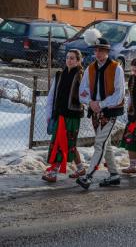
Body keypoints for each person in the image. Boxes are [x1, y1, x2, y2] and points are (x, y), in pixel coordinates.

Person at [77, 37, 125, 189]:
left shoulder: (116, 68)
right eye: (96, 50)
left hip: (110, 111)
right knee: (106, 143)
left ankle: (89, 175)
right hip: (95, 110)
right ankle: (114, 174)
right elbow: (82, 90)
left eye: (101, 50)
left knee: (99, 143)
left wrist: (102, 104)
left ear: (107, 52)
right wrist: (90, 102)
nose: (97, 53)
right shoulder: (90, 68)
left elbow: (119, 94)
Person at [43, 49, 85, 183]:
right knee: (61, 142)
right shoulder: (60, 74)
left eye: (72, 58)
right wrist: (49, 113)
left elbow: (86, 95)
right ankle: (79, 168)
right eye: (67, 58)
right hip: (60, 114)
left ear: (79, 61)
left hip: (72, 116)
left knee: (66, 143)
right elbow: (52, 95)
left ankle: (54, 172)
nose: (69, 60)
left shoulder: (82, 76)